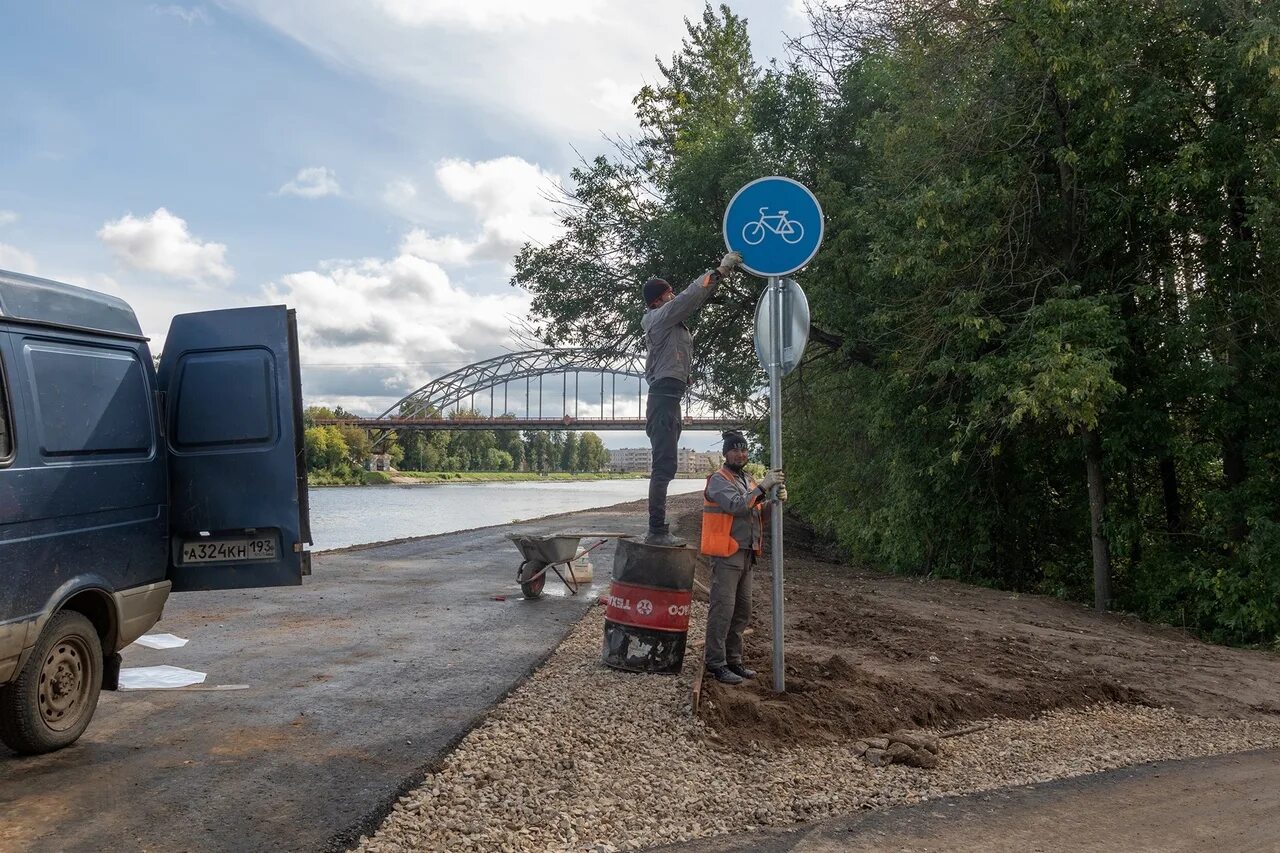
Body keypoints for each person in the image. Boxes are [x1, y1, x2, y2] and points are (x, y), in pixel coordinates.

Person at [640, 250, 742, 547]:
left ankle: (658, 528)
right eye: (669, 292)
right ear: (658, 300)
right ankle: (656, 529)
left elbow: (668, 357)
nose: (673, 295)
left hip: (669, 399)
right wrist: (720, 271)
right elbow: (690, 297)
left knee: (667, 465)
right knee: (664, 466)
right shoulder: (660, 317)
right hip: (662, 401)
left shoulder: (669, 324)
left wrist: (684, 375)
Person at [701, 430, 785, 685]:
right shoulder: (718, 480)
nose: (741, 454)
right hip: (726, 554)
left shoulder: (747, 480)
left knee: (741, 612)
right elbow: (738, 506)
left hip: (747, 554)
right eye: (735, 450)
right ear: (726, 453)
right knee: (722, 610)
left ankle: (734, 660)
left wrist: (775, 502)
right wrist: (763, 487)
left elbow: (756, 513)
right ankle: (716, 663)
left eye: (744, 450)